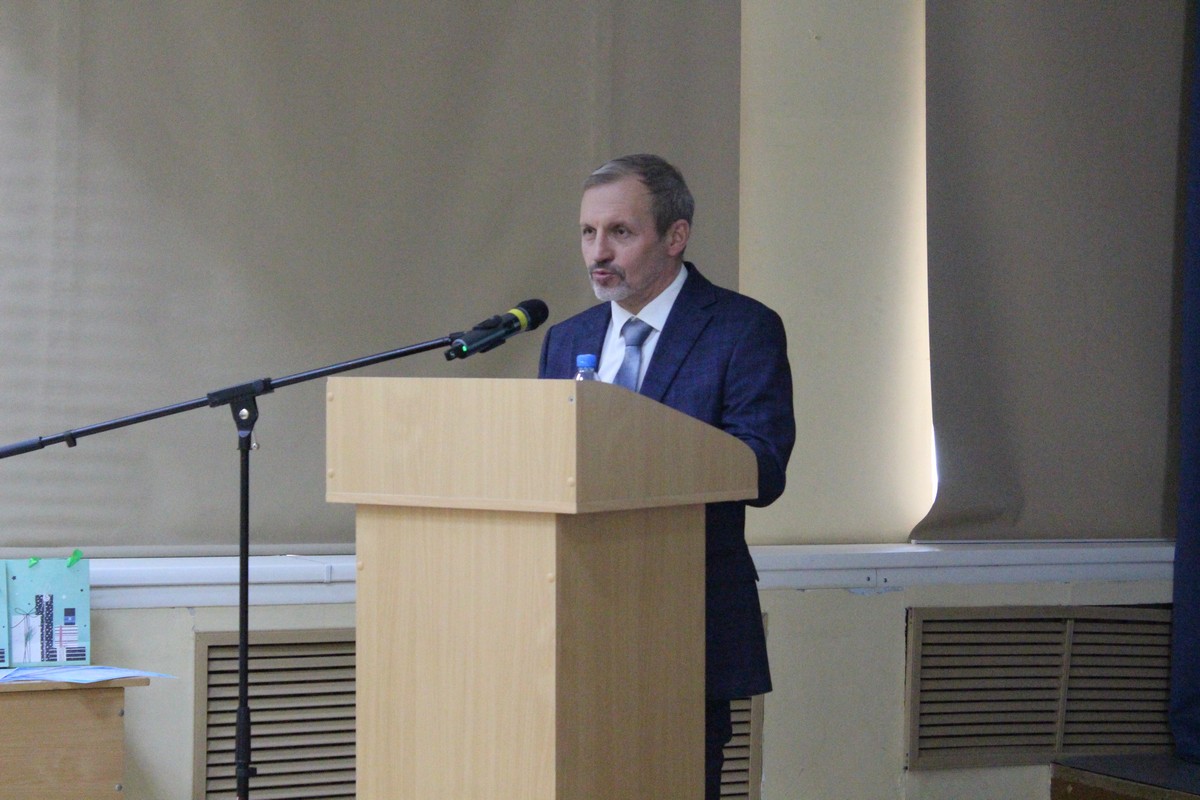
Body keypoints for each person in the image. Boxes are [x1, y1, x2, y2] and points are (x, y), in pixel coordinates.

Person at [538, 154, 795, 799]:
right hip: (576, 619)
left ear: (675, 236)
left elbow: (762, 465)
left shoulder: (742, 329)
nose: (598, 252)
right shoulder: (566, 339)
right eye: (588, 232)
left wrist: (647, 455)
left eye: (620, 232)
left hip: (686, 621)